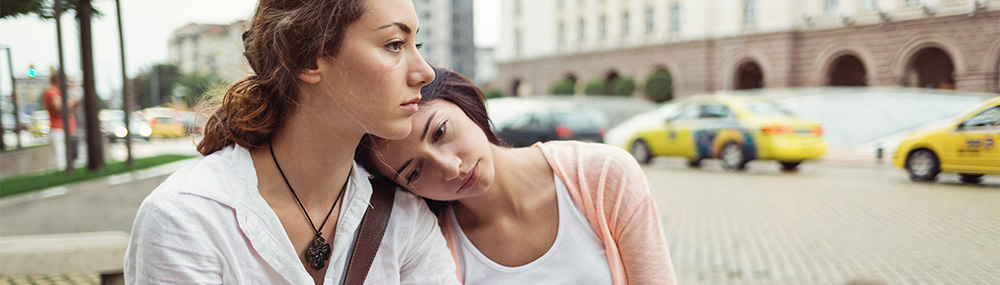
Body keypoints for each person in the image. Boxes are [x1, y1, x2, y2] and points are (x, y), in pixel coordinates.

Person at [124, 0, 460, 284]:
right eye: (394, 45)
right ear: (309, 59)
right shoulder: (188, 218)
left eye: (417, 45)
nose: (425, 72)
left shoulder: (404, 219)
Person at [357, 67, 678, 284]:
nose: (450, 168)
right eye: (414, 172)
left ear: (464, 102)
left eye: (440, 132)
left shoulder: (604, 175)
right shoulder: (432, 246)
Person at [42, 72, 80, 170]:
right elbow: (59, 108)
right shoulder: (51, 92)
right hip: (58, 129)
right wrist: (72, 101)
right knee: (60, 156)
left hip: (67, 129)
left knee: (68, 154)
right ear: (58, 80)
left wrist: (73, 103)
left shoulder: (61, 93)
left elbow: (71, 110)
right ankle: (62, 172)